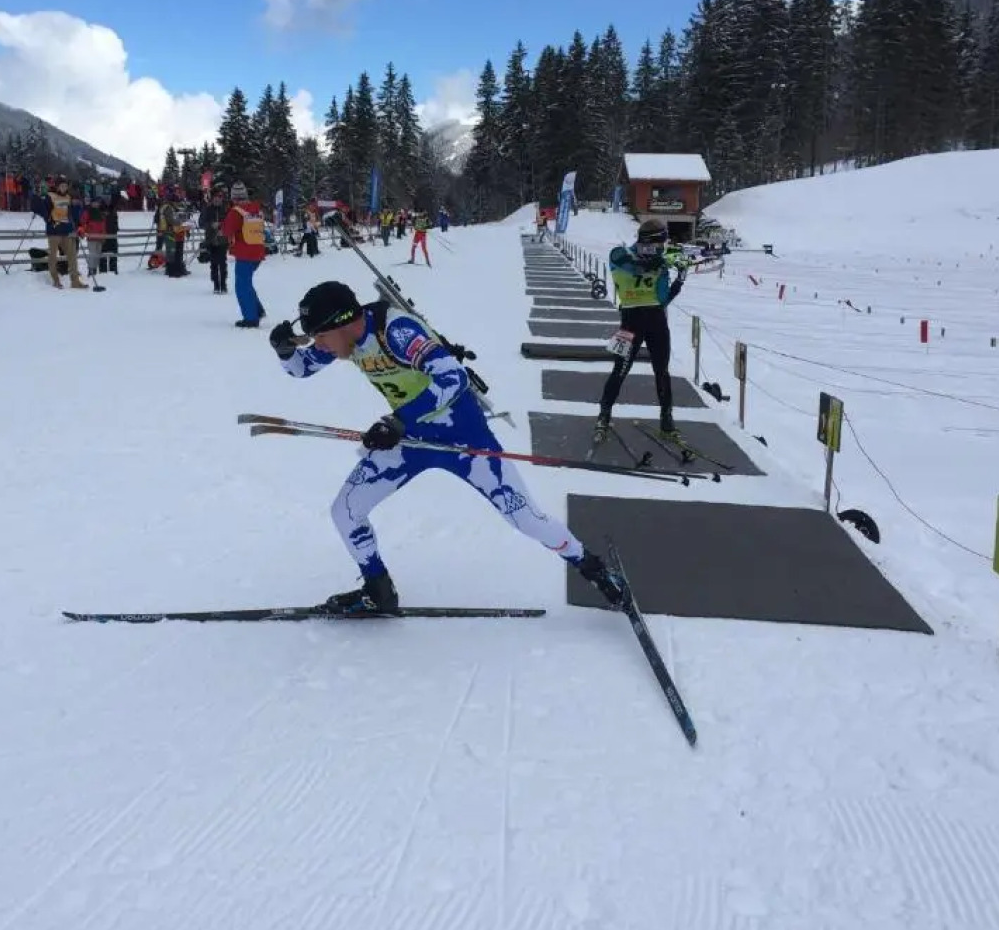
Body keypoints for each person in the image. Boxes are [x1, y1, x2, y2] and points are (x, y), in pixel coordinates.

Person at [269, 280, 629, 614]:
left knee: (525, 518)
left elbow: (452, 376)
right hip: (410, 440)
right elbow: (300, 369)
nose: (318, 346)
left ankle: (592, 566)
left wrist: (399, 421)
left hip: (463, 438)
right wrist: (284, 350)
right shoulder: (347, 340)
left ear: (344, 321)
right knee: (345, 511)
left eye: (320, 336)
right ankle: (378, 591)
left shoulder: (396, 331)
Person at [593, 217, 686, 446]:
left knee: (662, 372)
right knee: (620, 371)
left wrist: (680, 279)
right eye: (660, 242)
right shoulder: (621, 254)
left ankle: (667, 422)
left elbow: (662, 300)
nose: (663, 247)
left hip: (656, 321)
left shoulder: (660, 263)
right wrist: (658, 262)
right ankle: (604, 415)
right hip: (631, 323)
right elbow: (629, 264)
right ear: (650, 241)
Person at [222, 182, 266, 327]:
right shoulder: (256, 209)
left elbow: (227, 230)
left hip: (244, 252)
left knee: (242, 286)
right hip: (258, 250)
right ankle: (257, 310)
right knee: (246, 282)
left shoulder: (236, 212)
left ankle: (251, 318)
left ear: (233, 197)